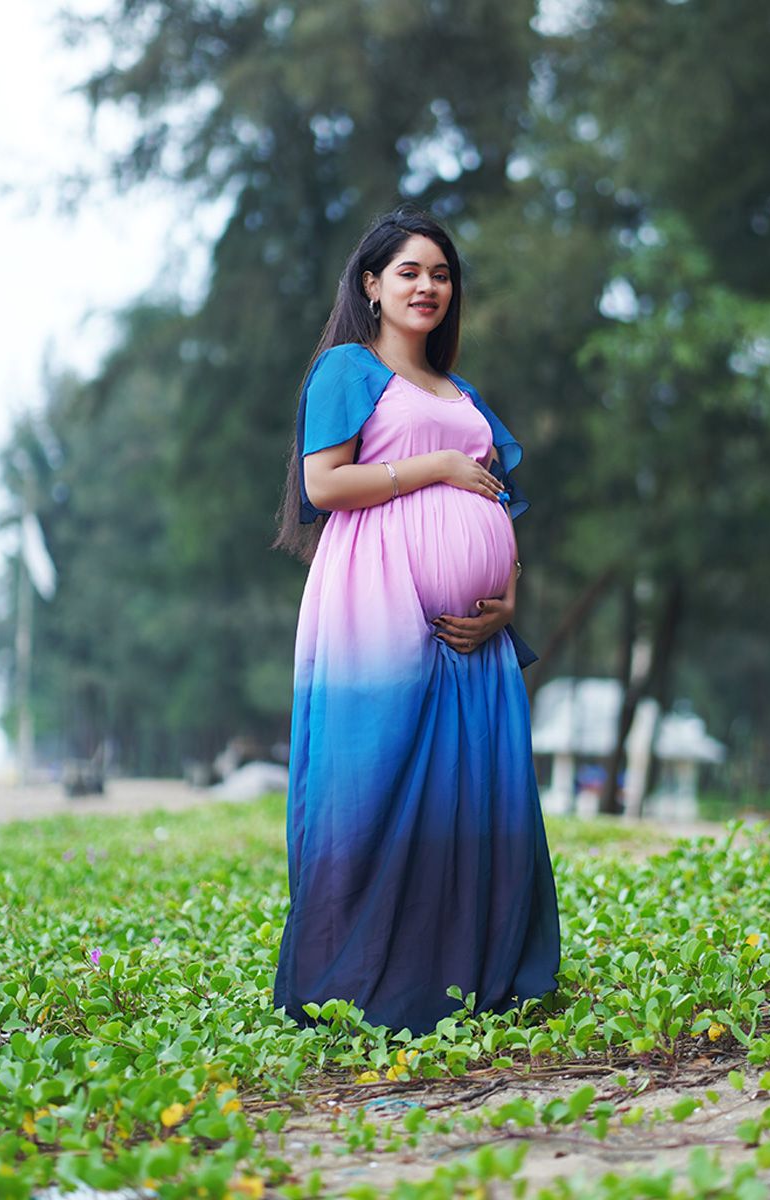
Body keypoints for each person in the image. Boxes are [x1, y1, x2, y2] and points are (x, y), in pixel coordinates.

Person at [273, 207, 560, 1035]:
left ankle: (472, 976)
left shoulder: (460, 392)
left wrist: (507, 596)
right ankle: (363, 980)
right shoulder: (348, 369)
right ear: (372, 284)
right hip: (378, 606)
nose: (428, 286)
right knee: (375, 785)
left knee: (477, 797)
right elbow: (325, 485)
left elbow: (497, 496)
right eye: (409, 271)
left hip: (478, 639)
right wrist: (433, 466)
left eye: (441, 274)